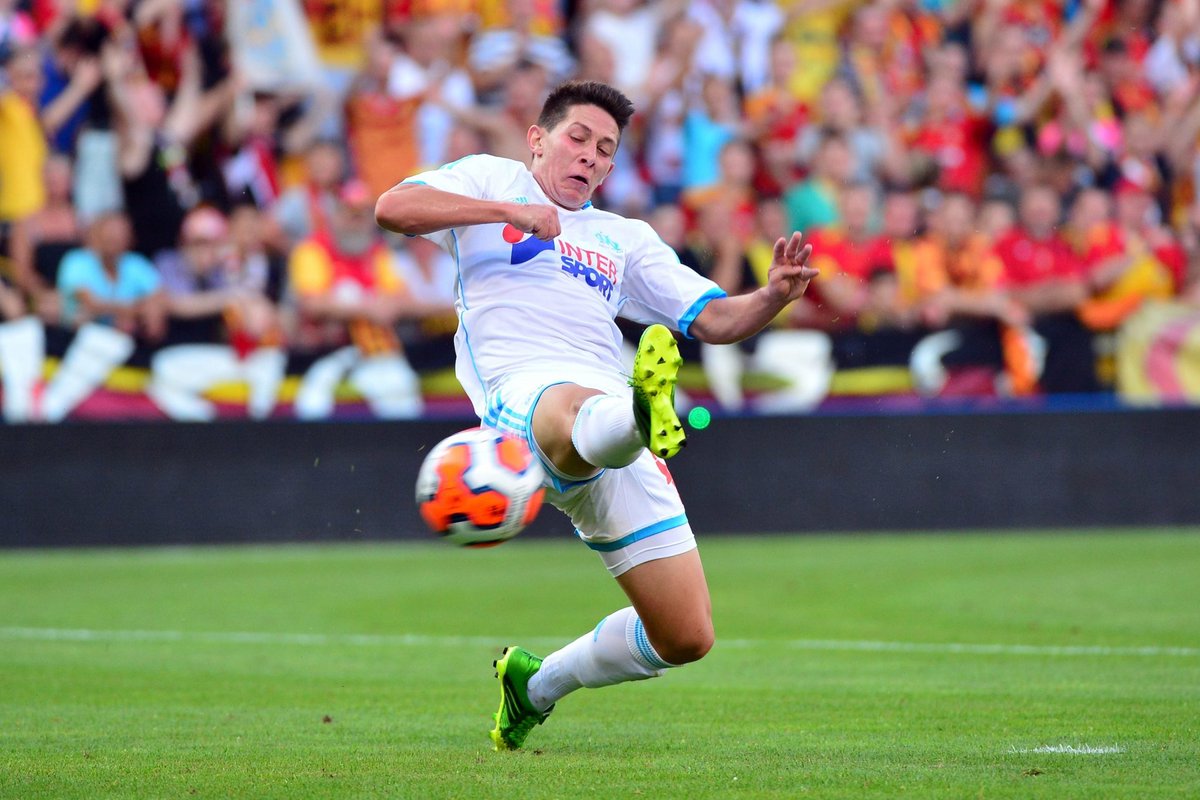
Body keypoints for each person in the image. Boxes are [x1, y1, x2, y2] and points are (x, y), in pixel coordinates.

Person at [375, 80, 816, 751]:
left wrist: (772, 296)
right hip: (520, 401)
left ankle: (536, 686)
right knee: (570, 404)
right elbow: (393, 208)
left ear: (612, 168)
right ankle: (641, 415)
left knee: (685, 635)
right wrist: (506, 210)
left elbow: (717, 318)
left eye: (604, 150)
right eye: (578, 138)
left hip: (606, 413)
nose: (589, 156)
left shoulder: (623, 237)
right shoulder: (491, 178)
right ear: (539, 140)